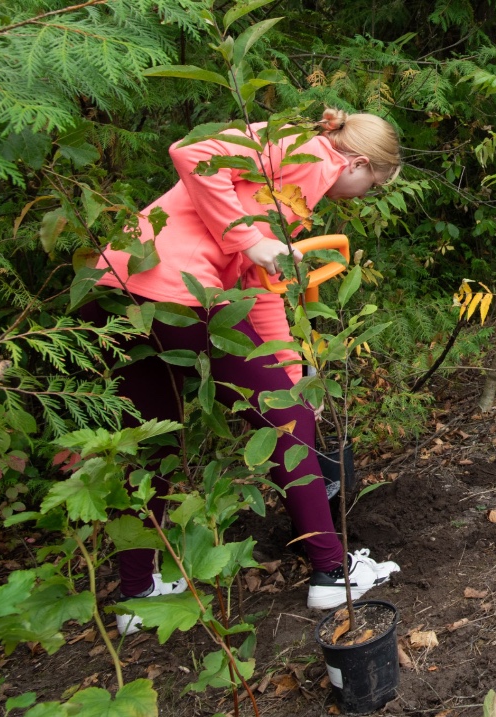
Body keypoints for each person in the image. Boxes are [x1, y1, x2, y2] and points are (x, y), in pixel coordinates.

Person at [85, 109, 402, 635]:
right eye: (370, 186)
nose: (361, 196)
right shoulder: (308, 154)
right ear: (360, 163)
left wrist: (292, 370)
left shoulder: (285, 184)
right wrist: (250, 242)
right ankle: (332, 572)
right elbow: (191, 153)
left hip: (119, 280)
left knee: (154, 438)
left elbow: (256, 289)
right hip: (177, 289)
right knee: (287, 423)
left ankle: (137, 593)